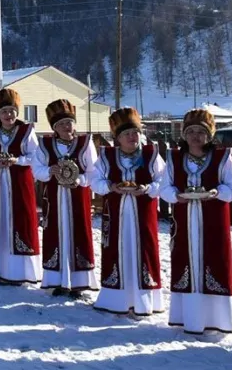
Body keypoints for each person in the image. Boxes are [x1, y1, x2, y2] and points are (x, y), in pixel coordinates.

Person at [160, 109, 232, 334]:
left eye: (201, 131)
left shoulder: (222, 158)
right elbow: (164, 187)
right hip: (184, 221)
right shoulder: (174, 157)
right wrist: (175, 196)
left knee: (215, 261)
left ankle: (217, 319)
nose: (196, 136)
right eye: (191, 131)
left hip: (213, 222)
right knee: (184, 262)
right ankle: (188, 318)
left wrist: (217, 192)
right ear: (184, 135)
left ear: (210, 135)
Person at [89, 107, 166, 316]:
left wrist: (148, 189)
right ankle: (116, 299)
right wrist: (111, 187)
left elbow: (164, 181)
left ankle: (145, 300)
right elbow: (94, 181)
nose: (132, 137)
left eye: (135, 133)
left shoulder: (151, 155)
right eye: (126, 134)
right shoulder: (107, 157)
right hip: (116, 215)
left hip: (144, 214)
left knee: (145, 251)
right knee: (116, 250)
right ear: (118, 138)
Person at [0, 88, 42, 284]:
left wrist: (16, 161)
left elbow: (36, 157)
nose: (8, 115)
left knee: (22, 221)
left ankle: (22, 272)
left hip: (20, 184)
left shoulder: (26, 131)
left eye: (12, 110)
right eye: (4, 111)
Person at [32, 98, 99, 296]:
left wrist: (80, 180)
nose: (66, 127)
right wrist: (49, 171)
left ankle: (79, 281)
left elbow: (94, 172)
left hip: (78, 197)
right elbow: (36, 170)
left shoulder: (85, 143)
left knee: (79, 233)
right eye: (61, 124)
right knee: (55, 233)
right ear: (54, 127)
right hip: (54, 197)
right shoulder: (45, 145)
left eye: (69, 122)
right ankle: (58, 280)